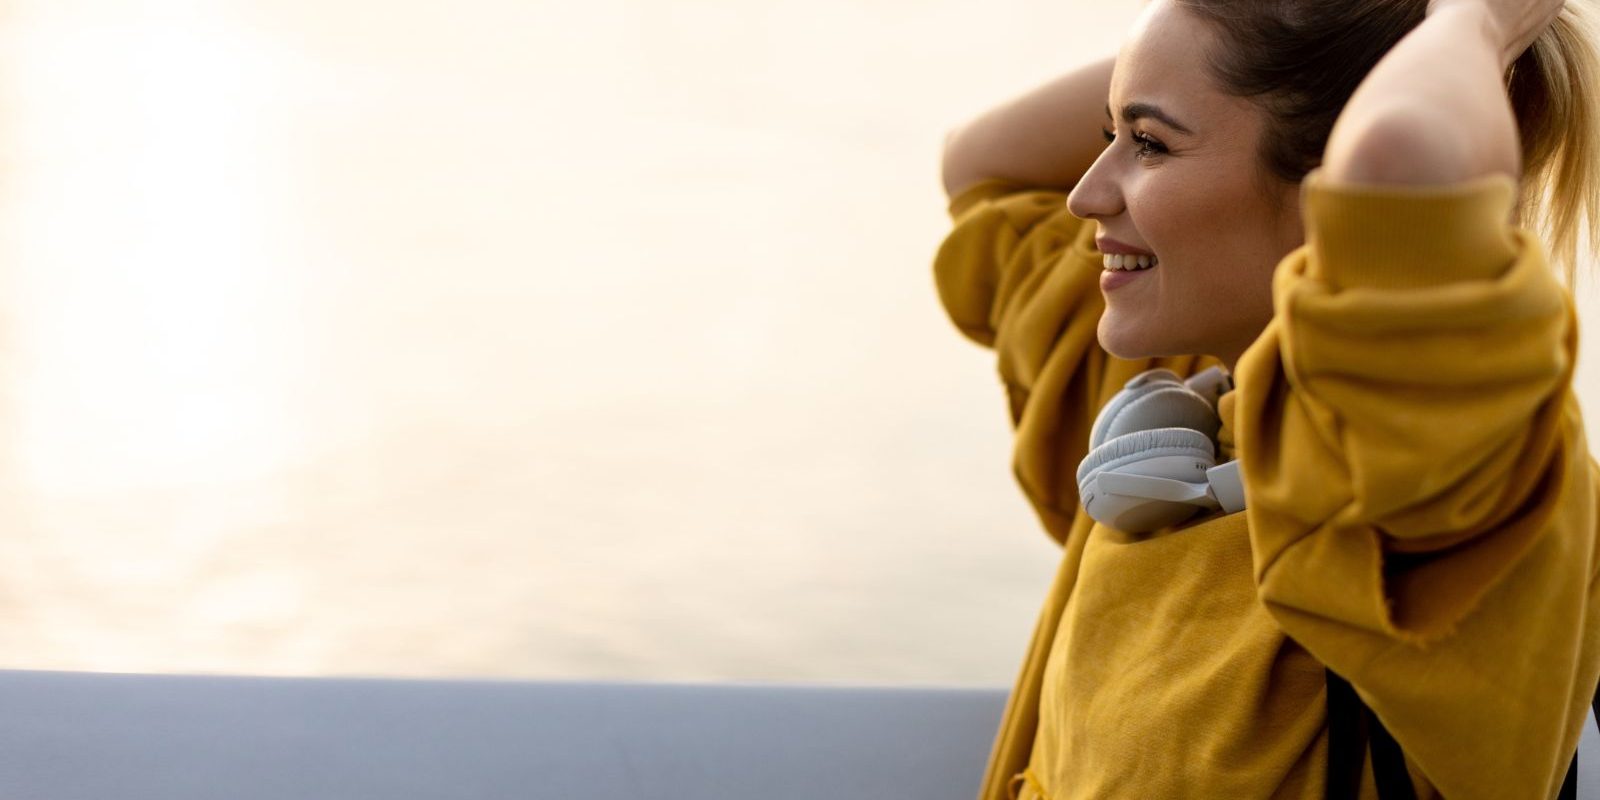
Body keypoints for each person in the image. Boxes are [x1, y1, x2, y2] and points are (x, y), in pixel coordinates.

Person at [932, 0, 1600, 797]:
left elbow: (1401, 156)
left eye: (1148, 144)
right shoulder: (1172, 412)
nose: (1085, 194)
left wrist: (1480, 20)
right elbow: (980, 166)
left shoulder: (1439, 492)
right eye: (1107, 134)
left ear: (1330, 194)